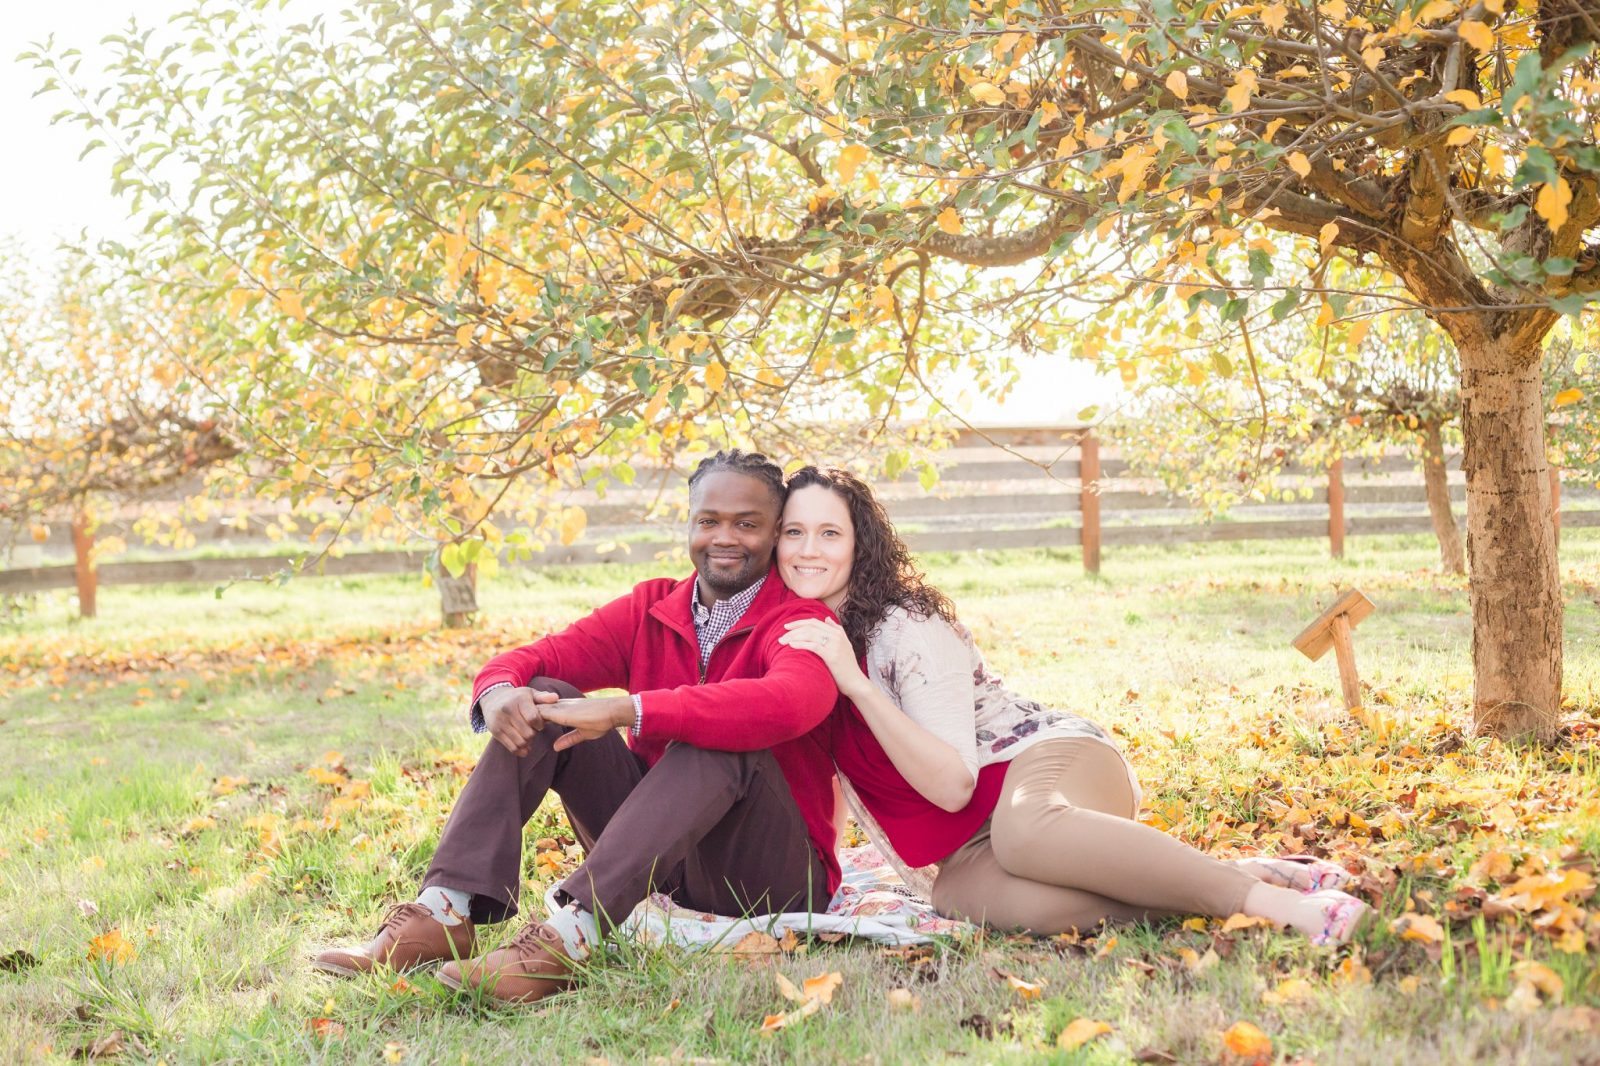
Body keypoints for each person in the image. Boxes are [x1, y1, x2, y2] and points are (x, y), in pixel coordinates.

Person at [313, 450, 844, 1004]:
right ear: (689, 523)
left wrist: (629, 709)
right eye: (709, 521)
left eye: (747, 524)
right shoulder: (652, 607)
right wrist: (497, 694)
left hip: (770, 876)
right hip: (661, 861)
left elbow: (789, 703)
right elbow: (536, 658)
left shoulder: (801, 619)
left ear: (776, 532)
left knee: (721, 734)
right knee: (545, 702)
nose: (724, 537)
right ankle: (445, 911)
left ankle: (571, 939)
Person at [773, 466, 1370, 946]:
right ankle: (1238, 875)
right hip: (970, 846)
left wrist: (858, 684)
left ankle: (1286, 907)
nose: (808, 550)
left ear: (859, 546)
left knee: (1024, 830)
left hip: (1048, 765)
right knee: (966, 901)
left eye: (830, 533)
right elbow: (836, 773)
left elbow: (954, 785)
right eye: (794, 532)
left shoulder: (906, 627)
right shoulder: (808, 636)